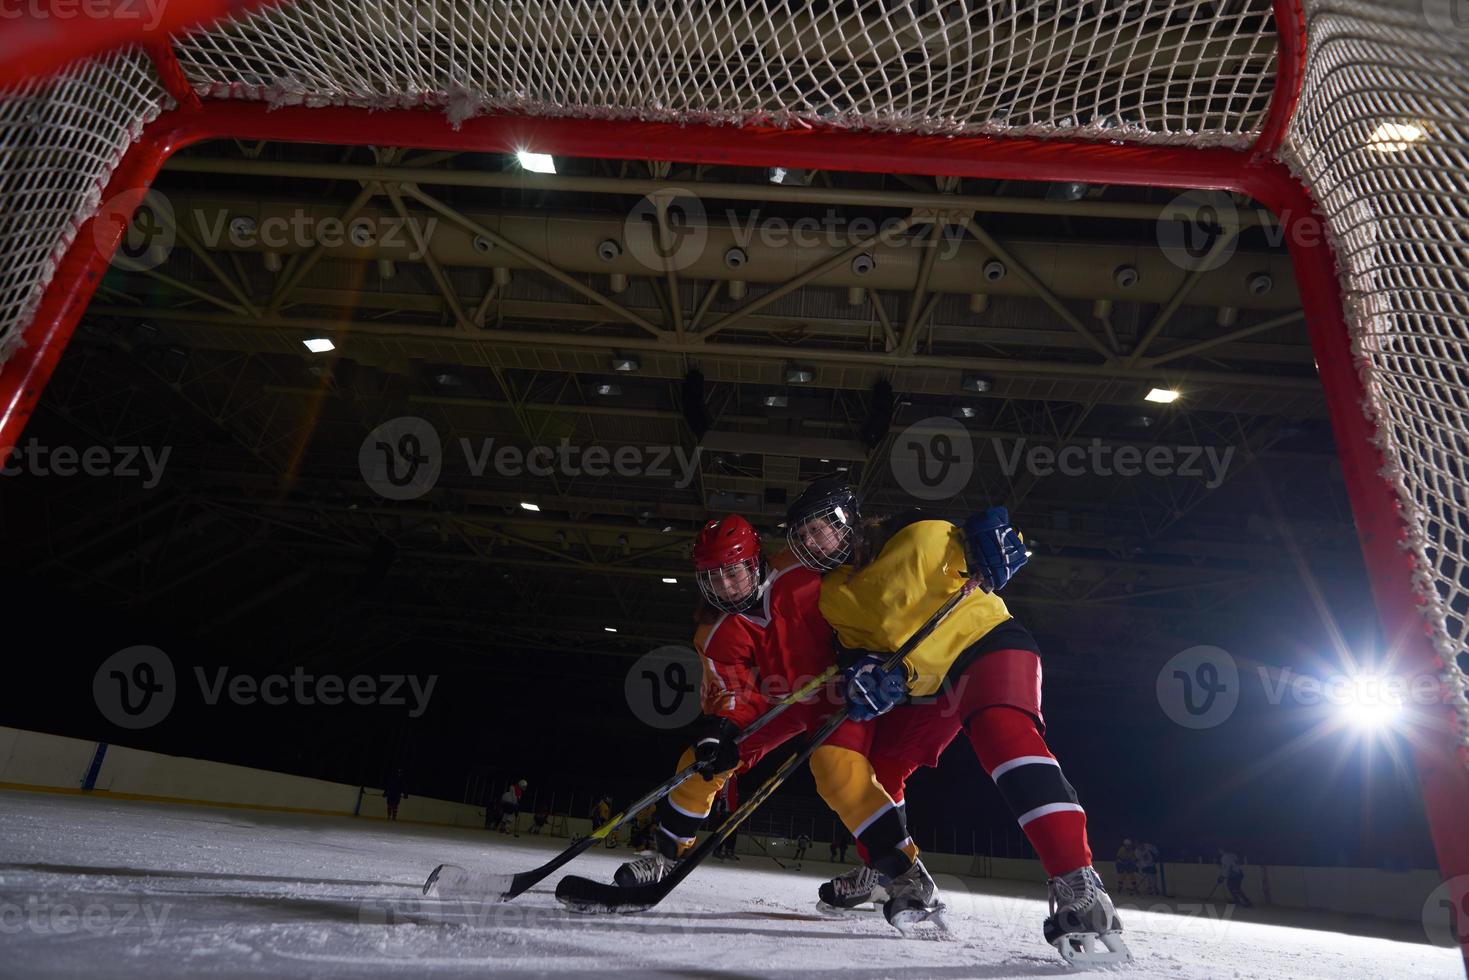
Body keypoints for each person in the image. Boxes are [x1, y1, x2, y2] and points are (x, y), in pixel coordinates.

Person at [786, 481, 1128, 961]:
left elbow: (986, 544)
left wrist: (996, 544)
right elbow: (860, 654)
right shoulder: (832, 597)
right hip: (928, 683)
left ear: (845, 520)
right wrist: (867, 674)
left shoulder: (922, 534)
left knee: (1003, 737)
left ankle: (1080, 886)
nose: (814, 544)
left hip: (987, 643)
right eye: (804, 538)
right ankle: (893, 869)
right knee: (879, 768)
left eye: (819, 529)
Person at [613, 514, 919, 924]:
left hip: (840, 692)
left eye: (732, 572)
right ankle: (666, 855)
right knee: (699, 764)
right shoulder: (714, 632)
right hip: (781, 701)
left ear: (754, 560)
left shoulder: (801, 571)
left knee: (839, 770)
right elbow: (733, 691)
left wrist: (866, 653)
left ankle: (901, 872)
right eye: (712, 577)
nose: (725, 585)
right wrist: (722, 729)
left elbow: (865, 595)